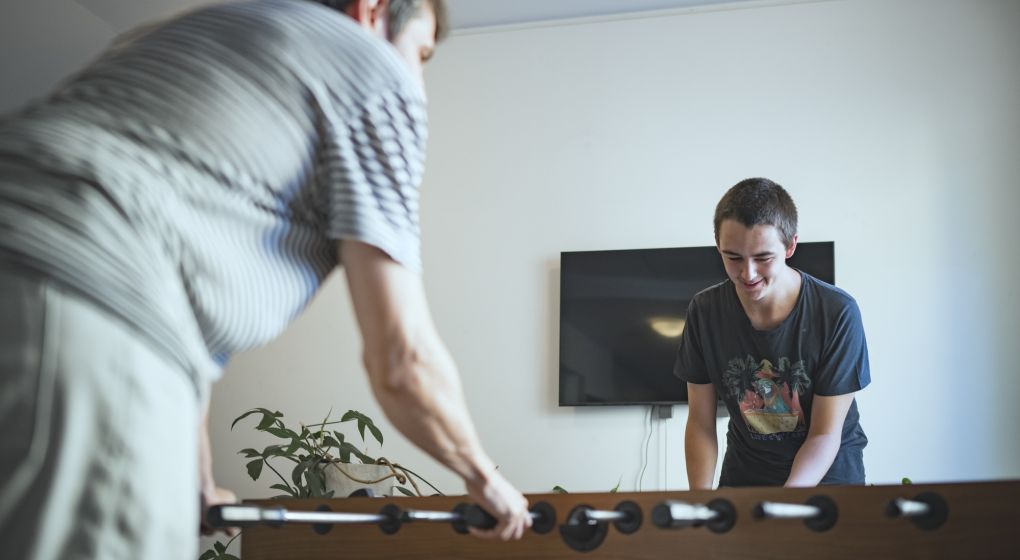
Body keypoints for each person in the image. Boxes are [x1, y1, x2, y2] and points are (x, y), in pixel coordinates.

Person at [0, 1, 531, 558]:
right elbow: (403, 360)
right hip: (78, 300)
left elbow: (183, 301)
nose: (419, 81)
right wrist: (482, 477)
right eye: (421, 54)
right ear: (371, 10)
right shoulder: (372, 69)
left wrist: (198, 476)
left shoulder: (174, 38)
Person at [674, 177, 870, 489]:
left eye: (763, 258)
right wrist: (700, 503)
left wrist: (784, 504)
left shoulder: (837, 312)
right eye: (733, 257)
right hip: (745, 474)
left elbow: (824, 434)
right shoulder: (705, 311)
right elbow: (700, 422)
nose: (747, 274)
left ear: (791, 245)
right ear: (717, 243)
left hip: (828, 477)